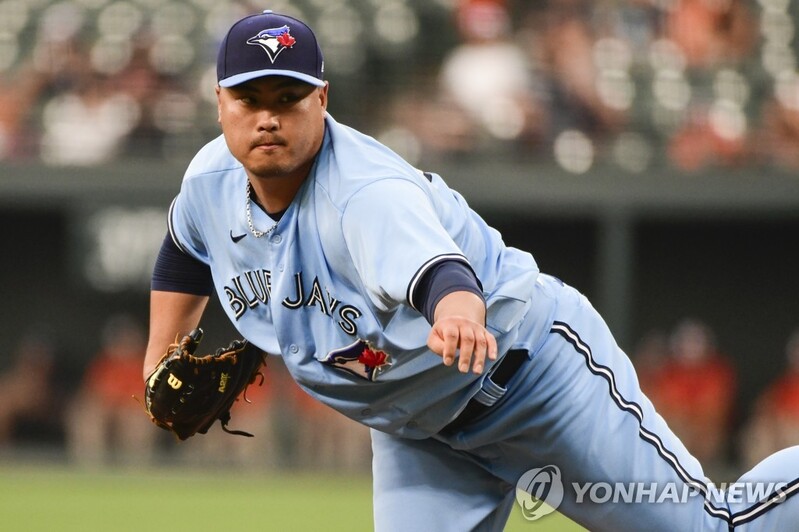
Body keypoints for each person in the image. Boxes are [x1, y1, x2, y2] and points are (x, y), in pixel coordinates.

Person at [142, 10, 799, 531]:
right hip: (420, 437)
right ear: (219, 102)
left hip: (532, 383)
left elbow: (440, 275)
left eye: (288, 97)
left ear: (322, 101)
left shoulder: (363, 193)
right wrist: (155, 360)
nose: (267, 116)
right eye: (248, 97)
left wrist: (458, 315)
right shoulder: (209, 182)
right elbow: (184, 248)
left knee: (709, 530)